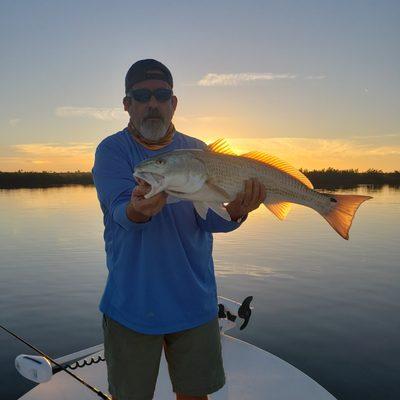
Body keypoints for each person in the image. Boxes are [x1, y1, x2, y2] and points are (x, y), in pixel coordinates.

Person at [92, 59, 266, 400]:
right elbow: (118, 212)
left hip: (194, 302)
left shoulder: (199, 150)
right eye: (142, 95)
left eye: (162, 95)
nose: (152, 103)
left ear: (174, 103)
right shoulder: (113, 150)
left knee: (195, 396)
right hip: (132, 303)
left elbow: (209, 220)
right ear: (127, 104)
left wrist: (237, 212)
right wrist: (137, 210)